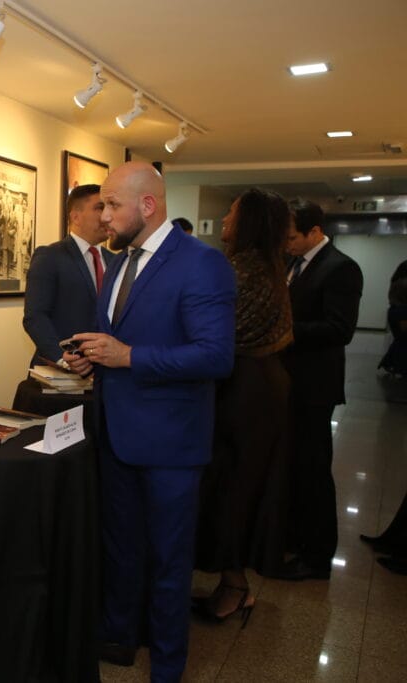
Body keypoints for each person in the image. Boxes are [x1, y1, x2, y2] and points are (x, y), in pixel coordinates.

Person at [64, 162, 235, 682]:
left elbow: (215, 356)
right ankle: (119, 637)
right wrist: (93, 359)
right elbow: (118, 338)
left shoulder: (201, 264)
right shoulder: (119, 263)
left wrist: (129, 357)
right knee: (121, 549)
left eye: (112, 205)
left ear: (147, 205)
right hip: (116, 436)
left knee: (168, 562)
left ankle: (167, 665)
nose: (103, 215)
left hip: (170, 448)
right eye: (101, 206)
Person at [193, 189, 294, 623]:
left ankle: (235, 585)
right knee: (239, 486)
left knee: (234, 488)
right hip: (258, 386)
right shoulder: (265, 265)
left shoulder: (242, 271)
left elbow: (216, 334)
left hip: (245, 393)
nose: (224, 219)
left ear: (249, 221)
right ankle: (233, 580)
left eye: (231, 213)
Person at [278, 199, 363, 580]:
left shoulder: (340, 268)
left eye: (292, 237)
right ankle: (293, 538)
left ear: (314, 232)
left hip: (314, 385)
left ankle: (317, 556)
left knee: (313, 469)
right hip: (288, 382)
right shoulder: (293, 263)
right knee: (293, 466)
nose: (287, 243)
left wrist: (283, 332)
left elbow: (338, 329)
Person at [23, 183, 115, 367]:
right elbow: (35, 316)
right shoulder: (50, 256)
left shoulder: (115, 261)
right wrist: (62, 358)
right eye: (99, 207)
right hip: (61, 372)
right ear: (76, 217)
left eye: (109, 207)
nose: (107, 215)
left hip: (103, 371)